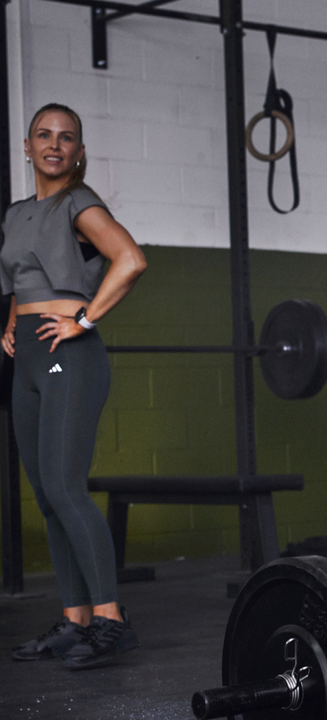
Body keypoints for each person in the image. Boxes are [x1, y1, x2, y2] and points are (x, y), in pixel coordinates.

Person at [3, 103, 147, 669]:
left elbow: (130, 260)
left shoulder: (79, 204)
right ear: (28, 145)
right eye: (45, 135)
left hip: (71, 353)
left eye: (67, 138)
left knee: (66, 489)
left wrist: (83, 320)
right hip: (29, 358)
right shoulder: (16, 214)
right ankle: (75, 618)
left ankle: (111, 619)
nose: (55, 145)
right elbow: (19, 278)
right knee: (45, 496)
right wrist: (10, 325)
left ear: (79, 152)